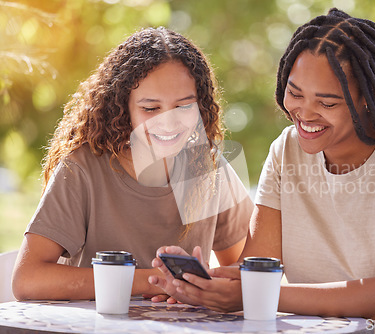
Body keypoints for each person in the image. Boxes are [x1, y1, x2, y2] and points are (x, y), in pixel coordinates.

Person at [148, 8, 375, 333]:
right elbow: (254, 270)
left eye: (327, 102)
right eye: (295, 93)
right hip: (337, 327)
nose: (304, 113)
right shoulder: (287, 150)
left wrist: (260, 297)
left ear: (369, 100)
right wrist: (200, 283)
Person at [12, 27, 254, 301]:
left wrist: (200, 285)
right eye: (150, 109)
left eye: (184, 106)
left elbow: (243, 271)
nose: (169, 122)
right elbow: (28, 279)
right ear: (122, 107)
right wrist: (155, 281)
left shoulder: (209, 168)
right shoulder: (83, 169)